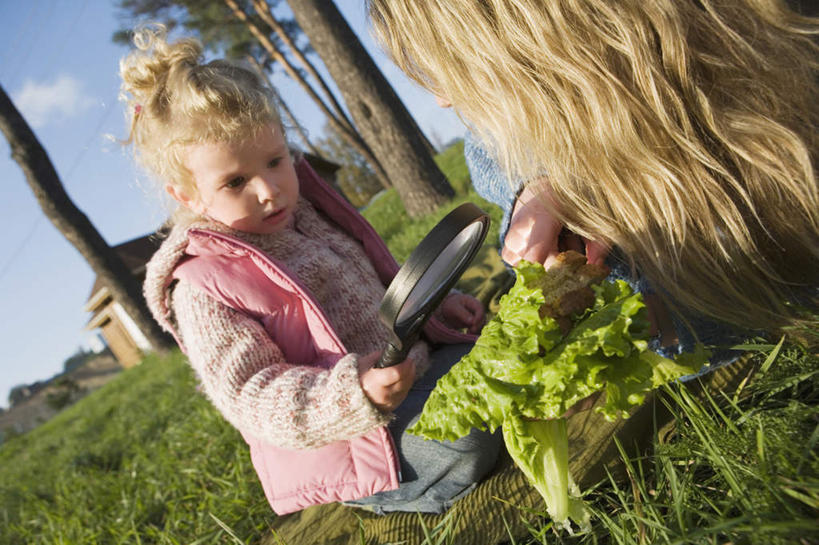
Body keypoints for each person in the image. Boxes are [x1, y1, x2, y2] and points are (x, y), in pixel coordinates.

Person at [120, 25, 501, 516]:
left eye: (276, 161)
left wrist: (435, 309)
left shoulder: (310, 215)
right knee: (465, 439)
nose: (269, 189)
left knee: (501, 318)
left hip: (416, 371)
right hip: (362, 439)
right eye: (236, 181)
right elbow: (252, 395)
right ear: (188, 196)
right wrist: (349, 395)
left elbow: (382, 295)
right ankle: (400, 489)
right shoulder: (204, 287)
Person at [368, 0, 819, 361]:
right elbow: (483, 151)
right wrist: (541, 185)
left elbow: (745, 296)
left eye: (447, 70)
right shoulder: (567, 105)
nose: (442, 102)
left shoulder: (775, 121)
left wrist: (657, 316)